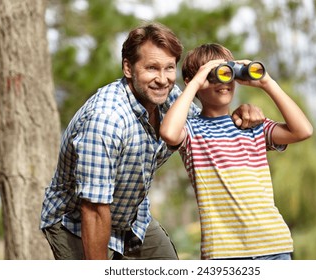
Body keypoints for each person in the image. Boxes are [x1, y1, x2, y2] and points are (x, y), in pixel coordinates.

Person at [40, 23, 266, 260]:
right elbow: (94, 210)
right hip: (77, 221)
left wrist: (242, 114)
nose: (162, 79)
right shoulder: (106, 121)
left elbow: (206, 129)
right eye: (152, 68)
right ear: (128, 67)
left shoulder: (170, 99)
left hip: (132, 216)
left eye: (169, 68)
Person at [160, 43, 313, 260]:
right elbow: (168, 133)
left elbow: (303, 130)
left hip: (274, 246)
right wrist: (195, 82)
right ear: (193, 81)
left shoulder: (253, 126)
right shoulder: (192, 131)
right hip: (224, 252)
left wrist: (267, 83)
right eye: (216, 74)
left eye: (228, 72)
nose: (225, 81)